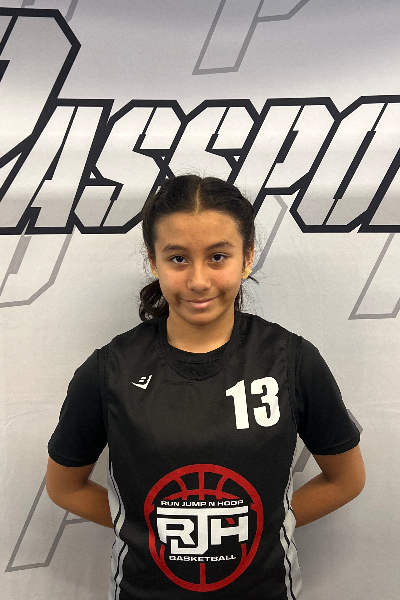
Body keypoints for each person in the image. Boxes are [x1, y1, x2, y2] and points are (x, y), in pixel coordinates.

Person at [46, 175, 365, 600]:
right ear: (153, 260)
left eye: (218, 257)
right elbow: (64, 487)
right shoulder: (108, 371)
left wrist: (253, 527)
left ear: (247, 258)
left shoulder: (292, 361)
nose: (198, 280)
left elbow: (346, 479)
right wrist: (150, 527)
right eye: (178, 258)